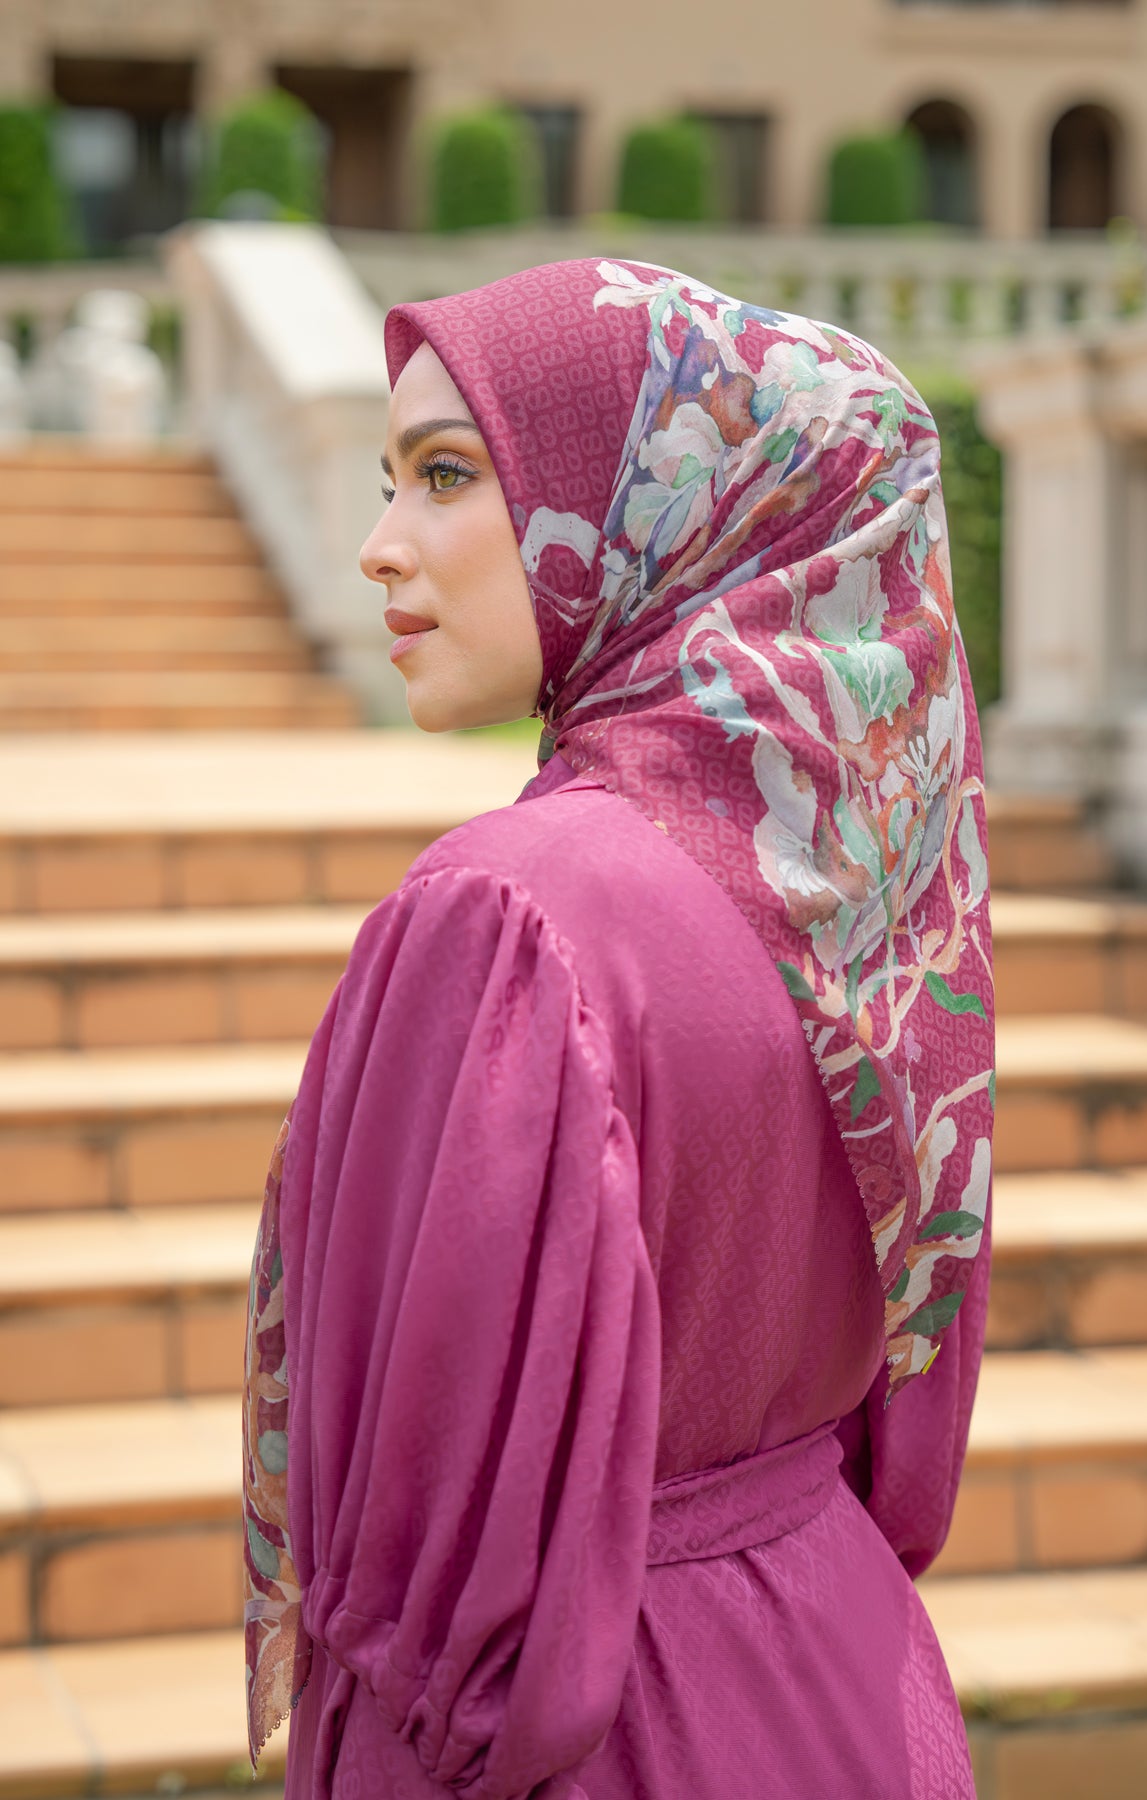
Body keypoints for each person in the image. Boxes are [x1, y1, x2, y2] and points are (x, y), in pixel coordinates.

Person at [242, 257, 995, 1800]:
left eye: (447, 475)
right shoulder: (861, 907)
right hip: (843, 1669)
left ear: (665, 505)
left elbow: (435, 1597)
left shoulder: (514, 914)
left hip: (595, 1729)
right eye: (389, 482)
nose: (380, 546)